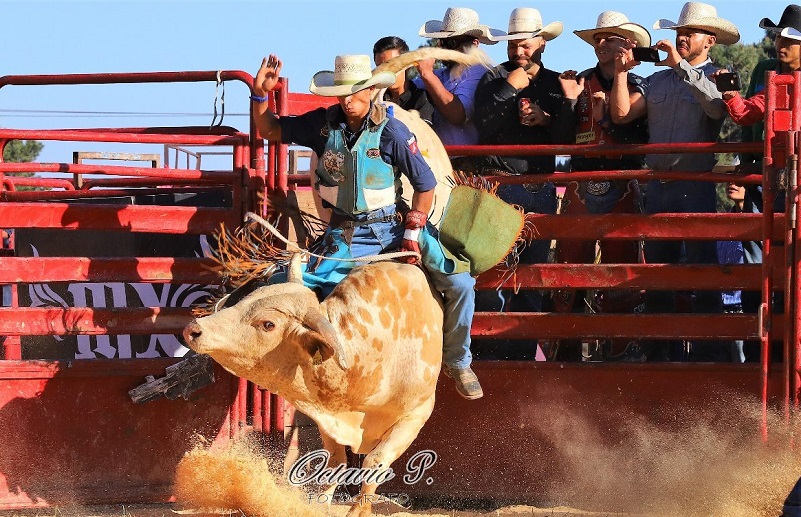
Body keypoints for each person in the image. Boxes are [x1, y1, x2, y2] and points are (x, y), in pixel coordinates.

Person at [250, 54, 483, 399]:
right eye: (342, 92)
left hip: (392, 229)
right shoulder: (322, 126)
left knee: (461, 284)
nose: (348, 100)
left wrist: (413, 231)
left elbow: (425, 183)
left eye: (357, 91)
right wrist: (260, 96)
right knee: (278, 282)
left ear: (372, 90)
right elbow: (269, 128)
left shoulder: (392, 131)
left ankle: (458, 361)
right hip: (344, 235)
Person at [609, 1, 740, 362]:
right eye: (679, 32)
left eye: (688, 33)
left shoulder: (719, 77)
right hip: (662, 187)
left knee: (702, 277)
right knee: (657, 282)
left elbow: (717, 108)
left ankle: (709, 360)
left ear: (709, 41)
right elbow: (621, 115)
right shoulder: (658, 79)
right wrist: (621, 72)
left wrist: (680, 66)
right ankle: (658, 359)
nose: (681, 38)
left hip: (694, 186)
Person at [472, 7, 573, 359]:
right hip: (499, 185)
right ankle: (490, 356)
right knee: (492, 274)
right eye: (513, 44)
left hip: (537, 188)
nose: (518, 51)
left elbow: (568, 139)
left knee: (531, 276)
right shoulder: (493, 78)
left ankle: (521, 357)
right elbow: (482, 124)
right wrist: (509, 88)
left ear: (541, 43)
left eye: (525, 44)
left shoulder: (556, 83)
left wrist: (547, 119)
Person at [551, 11, 651, 360]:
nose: (602, 44)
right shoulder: (576, 81)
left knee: (621, 268)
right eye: (599, 39)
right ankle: (564, 349)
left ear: (629, 45)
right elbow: (560, 138)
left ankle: (620, 351)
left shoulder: (641, 86)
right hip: (582, 180)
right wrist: (567, 103)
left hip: (622, 179)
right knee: (569, 264)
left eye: (611, 38)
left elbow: (626, 118)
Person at [416, 6, 502, 172]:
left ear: (474, 43)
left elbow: (457, 114)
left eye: (452, 43)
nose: (445, 49)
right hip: (439, 162)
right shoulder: (442, 74)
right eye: (443, 43)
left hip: (466, 166)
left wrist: (427, 75)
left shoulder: (481, 72)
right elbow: (406, 89)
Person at [372, 36, 435, 126]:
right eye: (380, 68)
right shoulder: (374, 100)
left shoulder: (420, 98)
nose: (387, 72)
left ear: (406, 65)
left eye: (393, 65)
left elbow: (423, 135)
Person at [716, 182, 747, 363]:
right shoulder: (724, 222)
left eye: (739, 181)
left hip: (743, 310)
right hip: (720, 310)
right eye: (729, 179)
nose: (732, 184)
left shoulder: (760, 222)